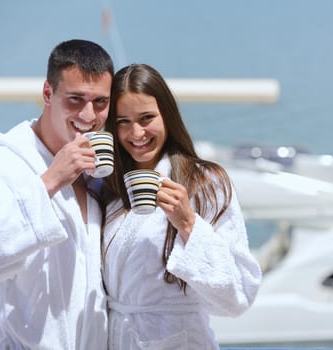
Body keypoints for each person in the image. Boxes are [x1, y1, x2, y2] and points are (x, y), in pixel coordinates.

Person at [0, 39, 113, 350]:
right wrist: (50, 181)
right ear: (48, 93)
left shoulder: (93, 171)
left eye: (100, 102)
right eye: (76, 99)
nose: (89, 115)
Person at [98, 63, 262, 349]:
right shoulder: (110, 188)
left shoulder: (205, 183)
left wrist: (188, 224)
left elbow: (239, 295)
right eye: (123, 121)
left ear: (168, 116)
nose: (136, 133)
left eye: (146, 118)